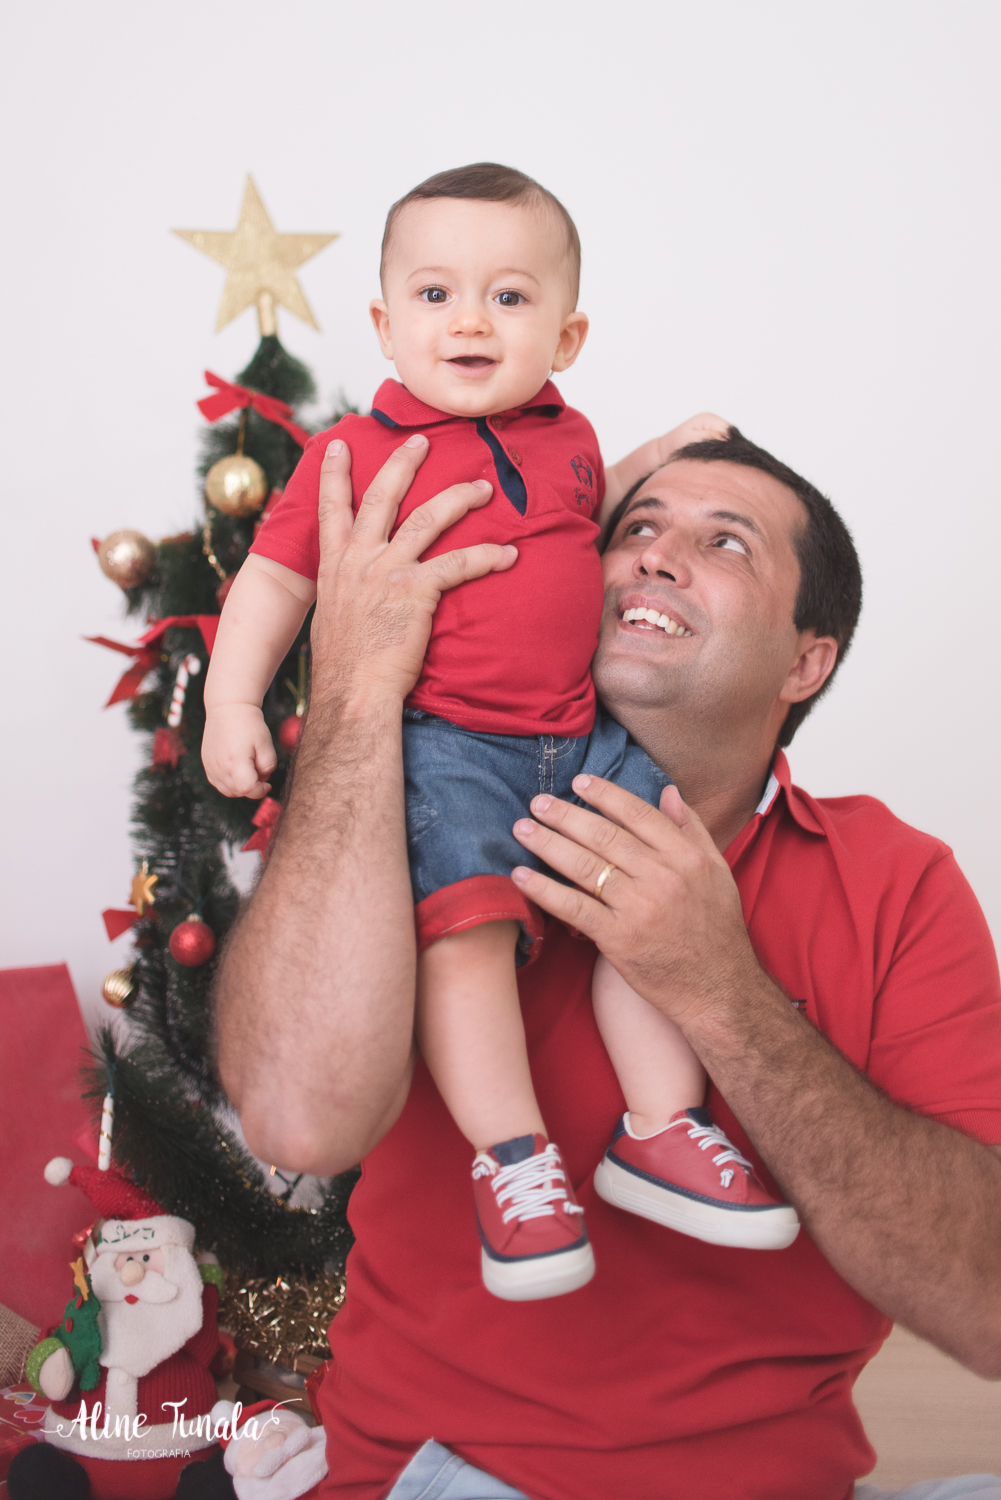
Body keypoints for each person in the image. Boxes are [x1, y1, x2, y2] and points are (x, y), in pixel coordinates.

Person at [214, 428, 1001, 1500]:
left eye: (724, 545)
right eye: (634, 530)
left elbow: (986, 1303)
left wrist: (714, 985)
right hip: (451, 1477)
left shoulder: (893, 881)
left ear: (804, 659)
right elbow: (298, 1120)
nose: (653, 557)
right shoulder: (399, 816)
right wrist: (355, 691)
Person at [202, 162, 795, 1305]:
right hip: (446, 746)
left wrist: (669, 445)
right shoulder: (355, 453)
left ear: (566, 335)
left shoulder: (568, 433)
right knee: (461, 943)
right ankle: (515, 1161)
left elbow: (589, 507)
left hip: (577, 735)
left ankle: (660, 1127)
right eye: (434, 295)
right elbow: (276, 580)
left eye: (509, 298)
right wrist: (235, 702)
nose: (469, 319)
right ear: (381, 323)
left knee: (654, 903)